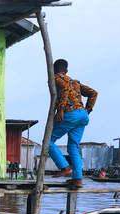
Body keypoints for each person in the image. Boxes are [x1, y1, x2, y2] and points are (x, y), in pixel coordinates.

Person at [48, 59, 98, 188]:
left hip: (70, 114)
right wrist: (87, 110)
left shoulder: (55, 78)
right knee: (73, 147)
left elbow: (64, 89)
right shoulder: (75, 82)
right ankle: (77, 179)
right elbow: (93, 93)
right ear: (67, 70)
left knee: (48, 141)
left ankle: (64, 167)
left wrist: (61, 109)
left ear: (54, 69)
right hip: (82, 115)